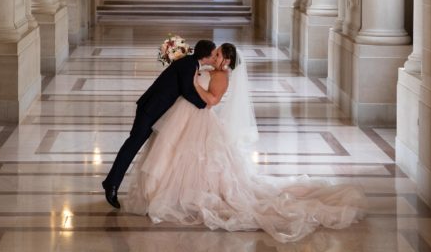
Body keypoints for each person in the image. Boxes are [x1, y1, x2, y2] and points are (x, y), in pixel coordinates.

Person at [123, 43, 366, 243]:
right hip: (184, 116)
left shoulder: (222, 77)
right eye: (215, 53)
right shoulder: (211, 69)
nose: (214, 56)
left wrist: (195, 84)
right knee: (168, 152)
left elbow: (212, 101)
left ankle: (178, 194)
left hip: (199, 119)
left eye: (217, 55)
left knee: (195, 159)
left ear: (226, 61)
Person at [102, 39, 217, 209]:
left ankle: (113, 182)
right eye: (213, 55)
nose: (214, 58)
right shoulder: (188, 65)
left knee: (139, 147)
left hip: (157, 111)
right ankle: (111, 184)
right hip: (149, 110)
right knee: (132, 146)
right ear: (205, 56)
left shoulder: (191, 63)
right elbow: (187, 91)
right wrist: (204, 105)